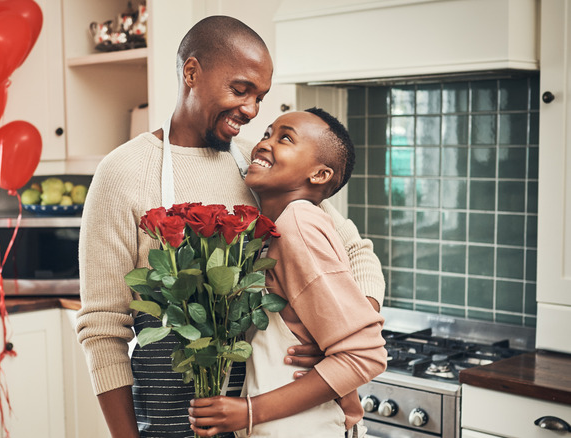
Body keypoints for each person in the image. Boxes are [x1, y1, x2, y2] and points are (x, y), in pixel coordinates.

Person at [77, 16, 385, 438]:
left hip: (264, 415)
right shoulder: (123, 172)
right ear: (191, 73)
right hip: (169, 416)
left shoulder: (258, 168)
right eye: (240, 90)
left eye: (259, 97)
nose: (251, 110)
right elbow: (102, 328)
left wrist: (339, 330)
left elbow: (355, 249)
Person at [187, 108, 387, 438]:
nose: (264, 143)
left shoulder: (299, 225)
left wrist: (249, 412)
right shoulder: (279, 228)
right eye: (267, 134)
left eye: (285, 138)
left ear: (320, 175)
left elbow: (365, 354)